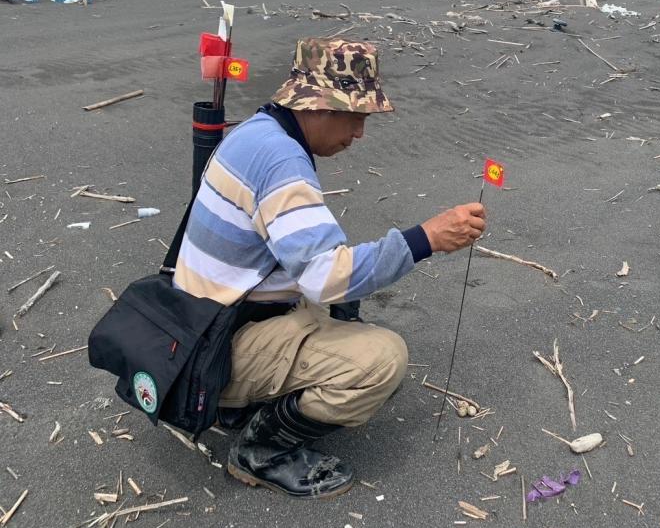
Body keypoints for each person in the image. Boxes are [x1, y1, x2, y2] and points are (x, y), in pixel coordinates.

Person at [172, 38, 486, 498]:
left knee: (343, 305)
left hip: (199, 323)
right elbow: (327, 275)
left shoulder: (256, 132)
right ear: (318, 107)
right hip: (213, 349)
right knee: (381, 359)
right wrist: (428, 239)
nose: (359, 133)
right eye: (355, 117)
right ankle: (262, 451)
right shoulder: (282, 163)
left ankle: (239, 403)